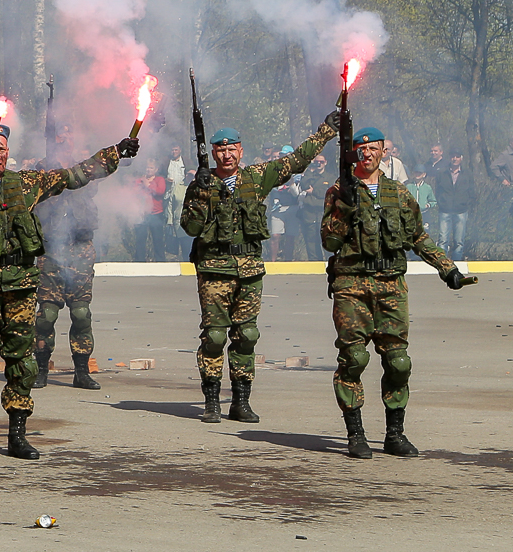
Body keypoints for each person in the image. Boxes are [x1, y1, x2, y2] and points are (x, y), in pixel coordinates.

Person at [0, 124, 136, 460]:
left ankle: (17, 434)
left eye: (1, 148)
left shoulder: (25, 183)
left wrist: (116, 153)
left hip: (20, 286)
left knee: (22, 362)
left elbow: (74, 175)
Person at [321, 126, 474, 458]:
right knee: (354, 359)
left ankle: (395, 434)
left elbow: (418, 237)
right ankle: (356, 434)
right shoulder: (339, 191)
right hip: (352, 286)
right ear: (353, 154)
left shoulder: (398, 192)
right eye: (360, 149)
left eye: (373, 148)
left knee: (398, 362)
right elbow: (329, 241)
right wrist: (345, 206)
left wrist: (448, 269)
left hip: (391, 286)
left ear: (383, 152)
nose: (367, 154)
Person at [181, 118, 335, 424]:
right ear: (213, 153)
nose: (226, 155)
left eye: (232, 150)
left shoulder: (256, 177)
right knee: (214, 336)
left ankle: (241, 401)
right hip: (214, 270)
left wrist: (326, 132)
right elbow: (191, 228)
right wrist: (200, 194)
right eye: (220, 150)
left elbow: (296, 160)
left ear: (241, 151)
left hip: (249, 270)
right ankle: (211, 401)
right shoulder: (201, 184)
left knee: (246, 335)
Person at [33, 127, 106, 391]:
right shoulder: (41, 169)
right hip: (51, 250)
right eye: (60, 132)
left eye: (69, 132)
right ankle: (41, 368)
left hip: (80, 249)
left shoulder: (84, 166)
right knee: (46, 315)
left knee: (81, 313)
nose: (65, 137)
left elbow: (107, 168)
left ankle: (82, 372)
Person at [434, 150, 473, 259]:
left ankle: (457, 263)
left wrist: (466, 203)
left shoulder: (467, 173)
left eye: (457, 156)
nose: (455, 159)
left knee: (459, 241)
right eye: (453, 156)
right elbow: (437, 190)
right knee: (443, 240)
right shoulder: (442, 173)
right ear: (449, 158)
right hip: (445, 210)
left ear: (461, 158)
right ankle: (442, 263)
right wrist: (441, 203)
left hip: (461, 210)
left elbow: (471, 192)